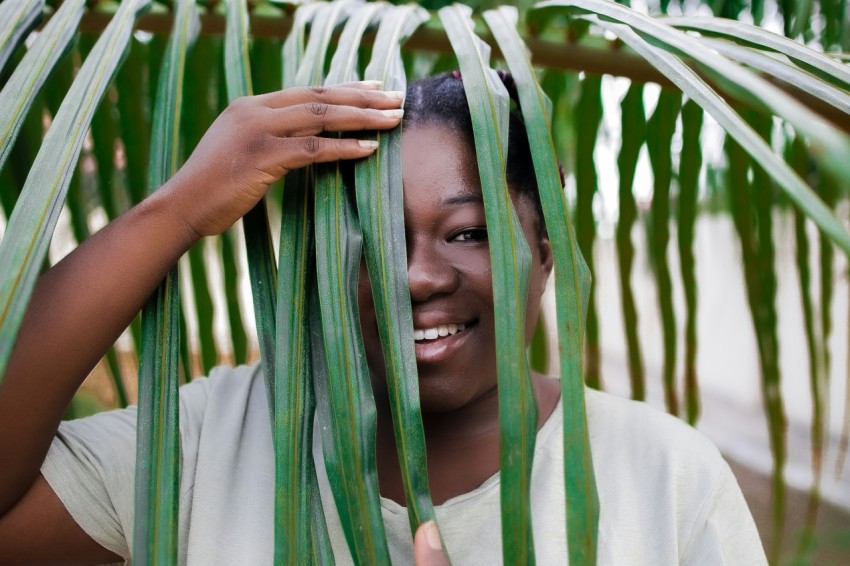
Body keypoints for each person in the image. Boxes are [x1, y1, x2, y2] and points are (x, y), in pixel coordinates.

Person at [0, 72, 766, 565]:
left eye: (468, 233)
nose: (418, 275)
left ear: (544, 248)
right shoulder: (203, 445)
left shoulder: (665, 480)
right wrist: (179, 208)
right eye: (365, 241)